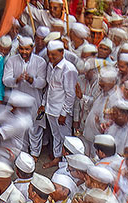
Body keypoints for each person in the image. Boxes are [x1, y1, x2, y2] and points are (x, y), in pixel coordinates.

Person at [41, 40, 77, 168]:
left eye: (54, 55)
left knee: (66, 138)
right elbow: (50, 88)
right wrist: (44, 103)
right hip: (51, 108)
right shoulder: (50, 66)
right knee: (56, 135)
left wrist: (64, 113)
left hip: (61, 111)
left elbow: (70, 94)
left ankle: (68, 163)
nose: (50, 57)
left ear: (62, 53)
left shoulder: (68, 69)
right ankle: (57, 158)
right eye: (49, 54)